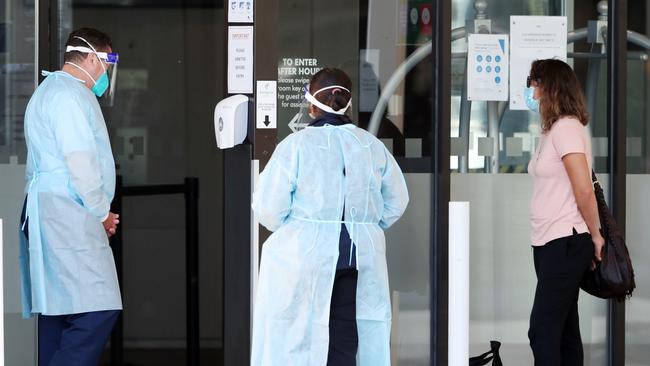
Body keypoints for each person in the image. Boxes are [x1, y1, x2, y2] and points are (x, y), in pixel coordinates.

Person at [250, 68, 409, 365]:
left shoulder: (295, 146)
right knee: (345, 342)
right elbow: (397, 201)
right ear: (347, 103)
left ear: (311, 103)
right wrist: (364, 226)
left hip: (303, 259)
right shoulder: (371, 146)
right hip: (358, 259)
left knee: (296, 341)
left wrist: (302, 228)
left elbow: (269, 208)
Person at [19, 28, 122, 366]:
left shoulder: (50, 91)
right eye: (107, 62)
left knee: (58, 312)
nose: (106, 72)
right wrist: (101, 211)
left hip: (55, 211)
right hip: (68, 211)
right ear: (91, 57)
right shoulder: (68, 95)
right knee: (98, 309)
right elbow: (80, 161)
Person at [525, 59, 604, 365]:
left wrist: (595, 235)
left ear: (552, 88)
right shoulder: (552, 131)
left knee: (542, 330)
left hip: (567, 240)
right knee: (564, 330)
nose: (533, 95)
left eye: (536, 86)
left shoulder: (568, 128)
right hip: (548, 242)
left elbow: (583, 189)